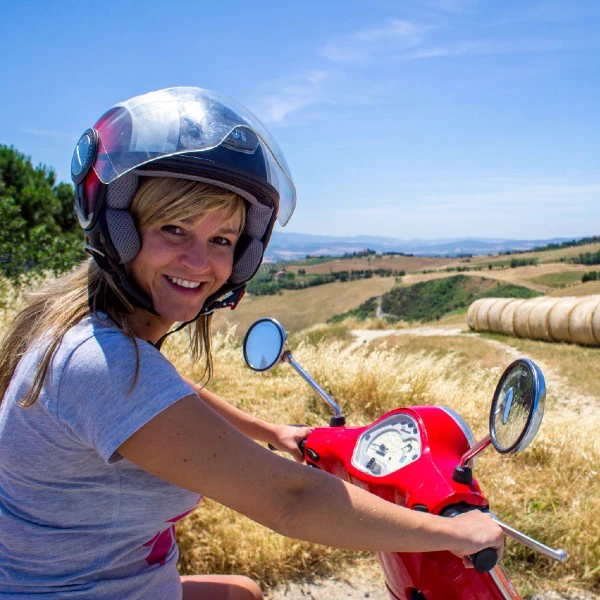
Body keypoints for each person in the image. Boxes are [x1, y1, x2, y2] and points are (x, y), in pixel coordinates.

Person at [0, 87, 503, 599]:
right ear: (120, 230)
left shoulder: (90, 335)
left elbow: (170, 391)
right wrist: (455, 534)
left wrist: (271, 431)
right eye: (174, 228)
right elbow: (291, 501)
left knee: (242, 593)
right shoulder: (98, 367)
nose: (200, 264)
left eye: (222, 240)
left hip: (90, 583)